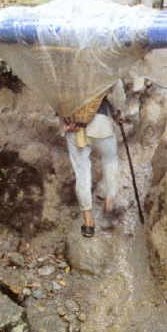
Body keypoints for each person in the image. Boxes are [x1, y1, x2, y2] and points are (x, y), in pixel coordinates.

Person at [62, 82, 126, 237]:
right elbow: (117, 93)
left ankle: (88, 222)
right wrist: (118, 112)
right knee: (110, 160)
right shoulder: (100, 68)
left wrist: (63, 122)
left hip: (74, 126)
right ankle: (109, 202)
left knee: (82, 173)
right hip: (100, 121)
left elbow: (56, 97)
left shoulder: (62, 71)